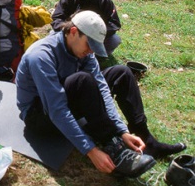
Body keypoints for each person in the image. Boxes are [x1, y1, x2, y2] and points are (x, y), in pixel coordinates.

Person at [16, 11, 186, 177]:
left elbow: (102, 88)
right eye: (89, 45)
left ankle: (145, 140)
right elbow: (56, 109)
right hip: (40, 115)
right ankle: (114, 149)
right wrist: (90, 150)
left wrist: (122, 130)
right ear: (74, 32)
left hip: (68, 99)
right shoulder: (41, 56)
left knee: (122, 73)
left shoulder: (83, 51)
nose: (91, 52)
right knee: (81, 81)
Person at [51, 0, 121, 56]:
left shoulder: (104, 1)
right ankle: (65, 54)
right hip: (73, 35)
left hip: (96, 37)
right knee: (53, 35)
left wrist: (98, 33)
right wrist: (66, 29)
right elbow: (57, 18)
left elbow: (114, 24)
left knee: (114, 40)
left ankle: (96, 56)